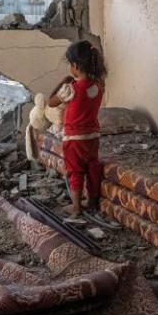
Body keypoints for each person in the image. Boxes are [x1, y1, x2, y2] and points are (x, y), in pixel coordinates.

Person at [48, 40, 106, 216]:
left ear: (75, 66)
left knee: (75, 171)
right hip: (93, 137)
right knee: (91, 167)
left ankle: (75, 207)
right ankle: (91, 201)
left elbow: (51, 102)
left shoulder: (70, 89)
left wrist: (62, 83)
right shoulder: (99, 86)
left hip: (74, 138)